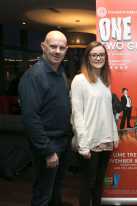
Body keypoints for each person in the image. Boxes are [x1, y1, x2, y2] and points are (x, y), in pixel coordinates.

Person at [18, 30, 72, 206]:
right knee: (43, 195)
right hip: (48, 145)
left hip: (62, 142)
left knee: (56, 191)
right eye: (53, 46)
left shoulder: (61, 72)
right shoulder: (34, 76)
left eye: (61, 48)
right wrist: (48, 151)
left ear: (66, 50)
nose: (57, 51)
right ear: (43, 47)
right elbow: (30, 118)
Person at [70, 41, 119, 206]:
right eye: (94, 55)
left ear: (105, 57)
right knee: (86, 184)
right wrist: (83, 145)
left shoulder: (105, 81)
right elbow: (77, 115)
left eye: (101, 55)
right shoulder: (79, 80)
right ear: (88, 58)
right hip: (89, 142)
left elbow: (108, 112)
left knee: (99, 183)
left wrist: (114, 135)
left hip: (105, 140)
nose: (98, 58)